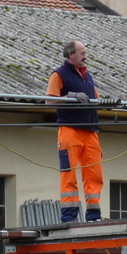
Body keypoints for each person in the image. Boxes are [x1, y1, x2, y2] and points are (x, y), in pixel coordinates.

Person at [46, 40, 103, 223]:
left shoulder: (87, 76)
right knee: (68, 173)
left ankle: (93, 215)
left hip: (90, 131)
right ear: (71, 54)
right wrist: (70, 97)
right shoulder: (59, 74)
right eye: (82, 53)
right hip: (69, 130)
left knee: (94, 174)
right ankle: (69, 216)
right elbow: (50, 101)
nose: (85, 56)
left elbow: (96, 99)